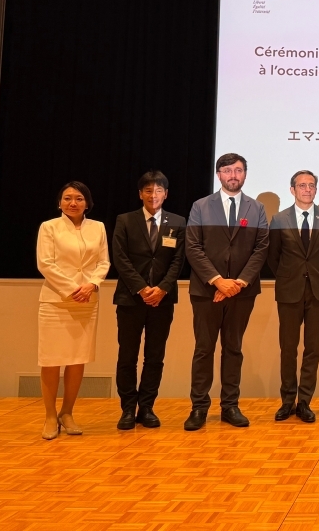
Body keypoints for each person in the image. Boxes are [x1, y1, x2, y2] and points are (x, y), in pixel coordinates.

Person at [183, 153, 269, 431]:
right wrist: (218, 281)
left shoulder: (256, 209)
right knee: (204, 349)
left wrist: (238, 283)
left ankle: (230, 406)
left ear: (245, 174)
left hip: (242, 293)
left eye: (239, 170)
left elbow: (261, 249)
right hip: (206, 291)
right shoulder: (200, 206)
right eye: (228, 170)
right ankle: (199, 408)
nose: (233, 175)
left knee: (233, 349)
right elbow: (193, 247)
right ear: (218, 174)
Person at [111, 170, 186, 430]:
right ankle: (128, 409)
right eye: (148, 191)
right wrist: (142, 289)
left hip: (163, 301)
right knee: (127, 356)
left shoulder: (178, 222)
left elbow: (178, 261)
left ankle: (147, 407)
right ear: (140, 193)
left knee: (155, 357)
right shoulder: (125, 220)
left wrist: (162, 289)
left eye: (158, 191)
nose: (153, 195)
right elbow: (120, 258)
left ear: (166, 194)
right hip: (130, 299)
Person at [35, 181, 110, 440]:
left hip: (87, 300)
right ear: (59, 203)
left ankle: (67, 413)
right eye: (67, 198)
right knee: (51, 360)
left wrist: (91, 285)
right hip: (56, 300)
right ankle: (49, 415)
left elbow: (104, 262)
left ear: (87, 202)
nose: (73, 203)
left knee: (77, 359)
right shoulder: (49, 227)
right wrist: (72, 289)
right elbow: (45, 264)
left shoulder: (98, 227)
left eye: (78, 198)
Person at [267, 170, 319, 424]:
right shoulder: (279, 219)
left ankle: (304, 401)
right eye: (302, 185)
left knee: (313, 349)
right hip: (289, 291)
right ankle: (287, 401)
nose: (307, 189)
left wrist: (315, 274)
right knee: (288, 348)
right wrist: (290, 276)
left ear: (316, 190)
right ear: (292, 190)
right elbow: (273, 257)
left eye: (311, 185)